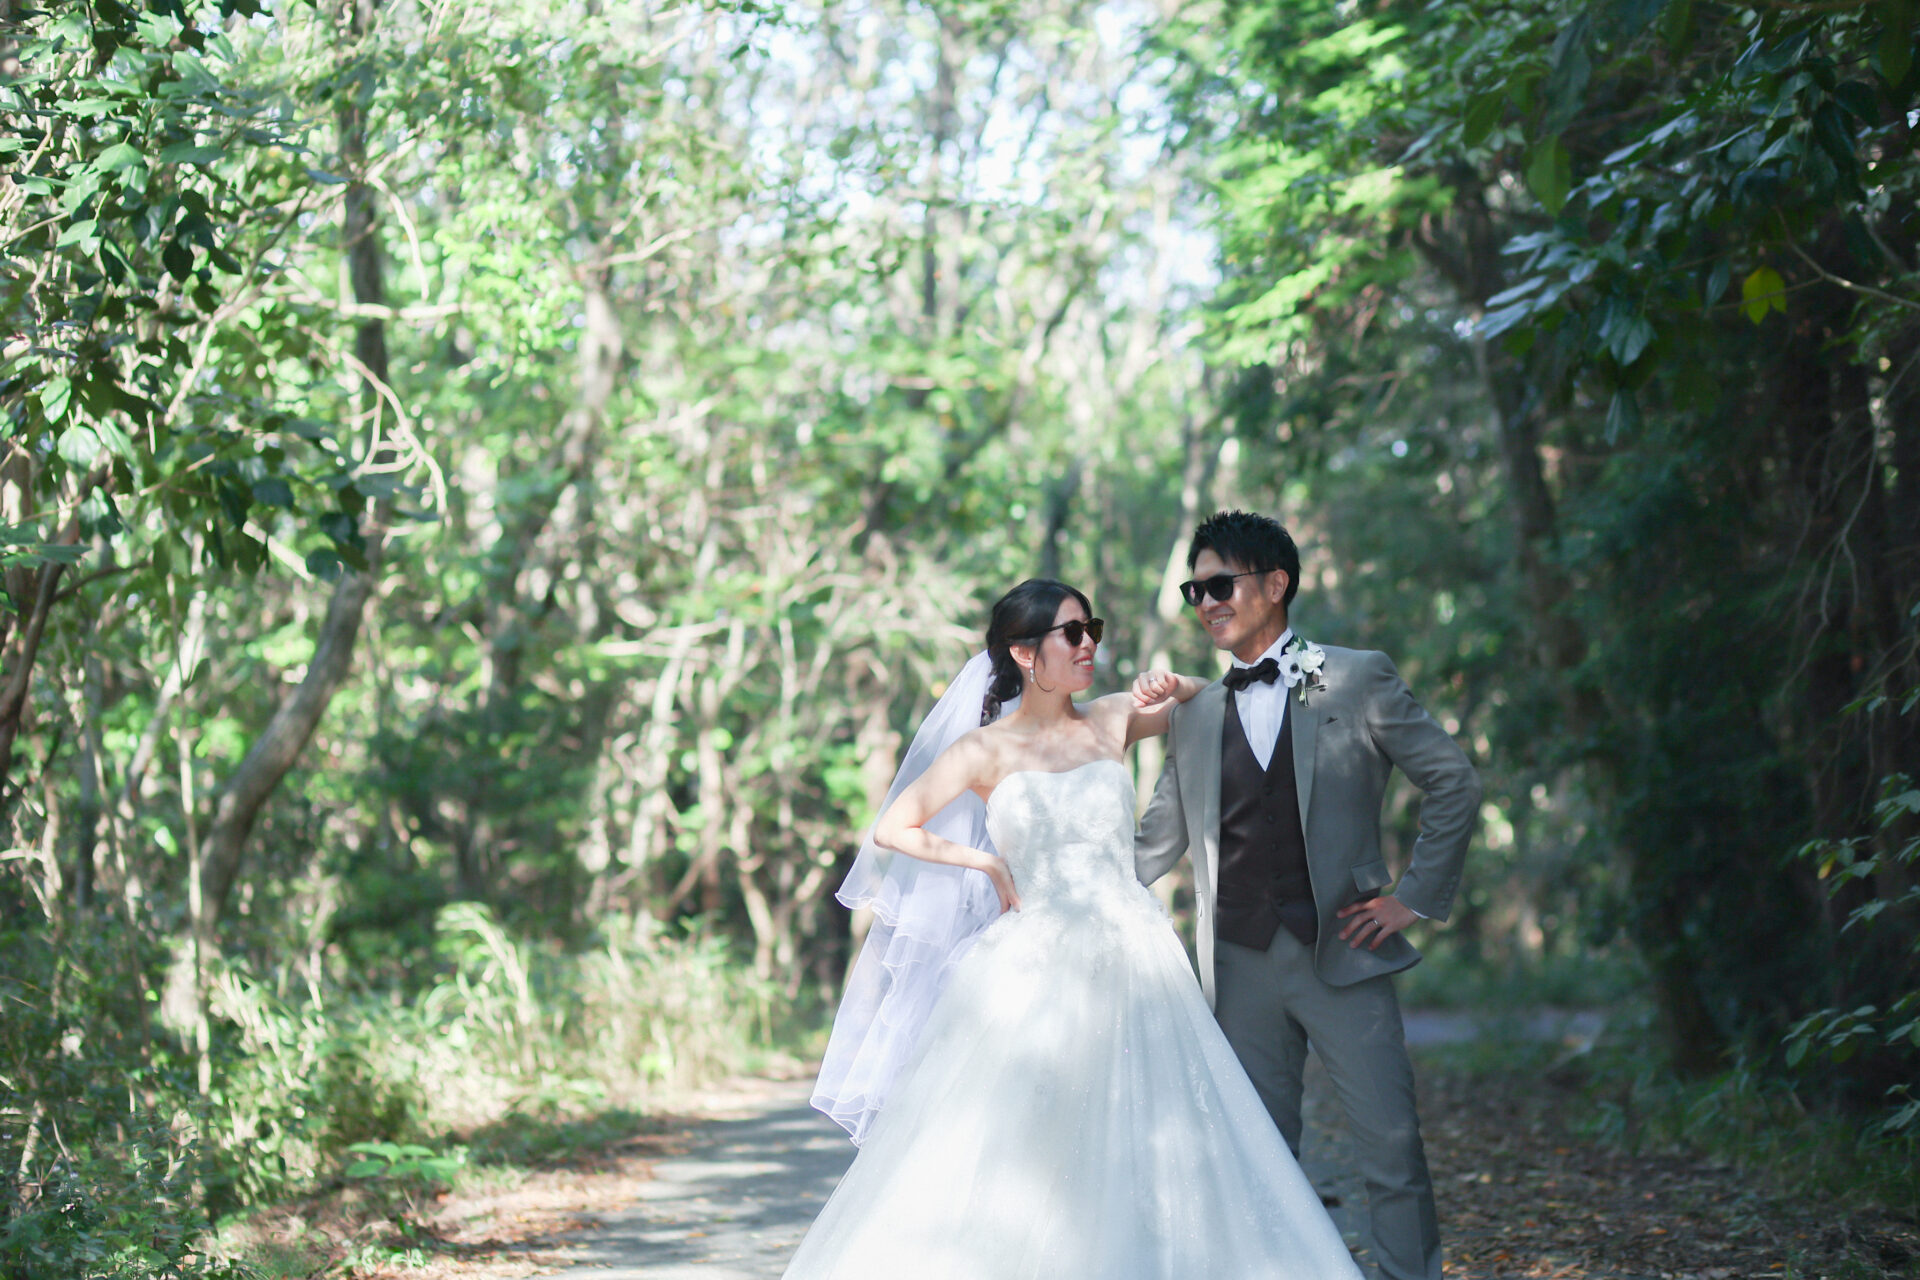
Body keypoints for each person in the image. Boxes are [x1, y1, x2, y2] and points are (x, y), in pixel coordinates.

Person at [789, 578, 1363, 1280]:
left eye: (1091, 627)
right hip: (1031, 959)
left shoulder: (1112, 718)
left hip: (1132, 949)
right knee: (1016, 1136)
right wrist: (986, 865)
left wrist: (1172, 679)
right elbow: (893, 827)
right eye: (1072, 633)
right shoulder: (981, 752)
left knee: (1158, 1124)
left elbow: (1211, 696)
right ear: (1024, 654)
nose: (1090, 642)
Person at [1134, 510, 1481, 1280]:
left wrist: (1412, 899)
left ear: (1275, 584)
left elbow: (1452, 780)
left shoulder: (1353, 676)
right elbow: (1152, 844)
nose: (1205, 601)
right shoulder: (1193, 713)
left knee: (1391, 1150)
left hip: (1345, 953)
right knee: (1254, 1157)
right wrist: (1055, 893)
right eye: (1196, 589)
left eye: (1220, 583)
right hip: (1238, 963)